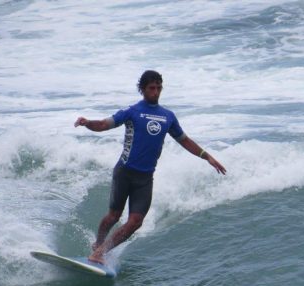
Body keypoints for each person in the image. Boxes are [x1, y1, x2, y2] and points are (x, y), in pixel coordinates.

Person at [74, 70, 226, 264]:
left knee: (135, 222)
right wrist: (88, 123)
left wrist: (207, 157)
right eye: (152, 88)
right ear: (142, 89)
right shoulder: (132, 112)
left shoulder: (168, 116)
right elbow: (104, 124)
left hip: (145, 178)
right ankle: (98, 244)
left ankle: (100, 252)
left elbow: (185, 140)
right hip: (124, 172)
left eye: (159, 88)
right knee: (113, 216)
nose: (156, 92)